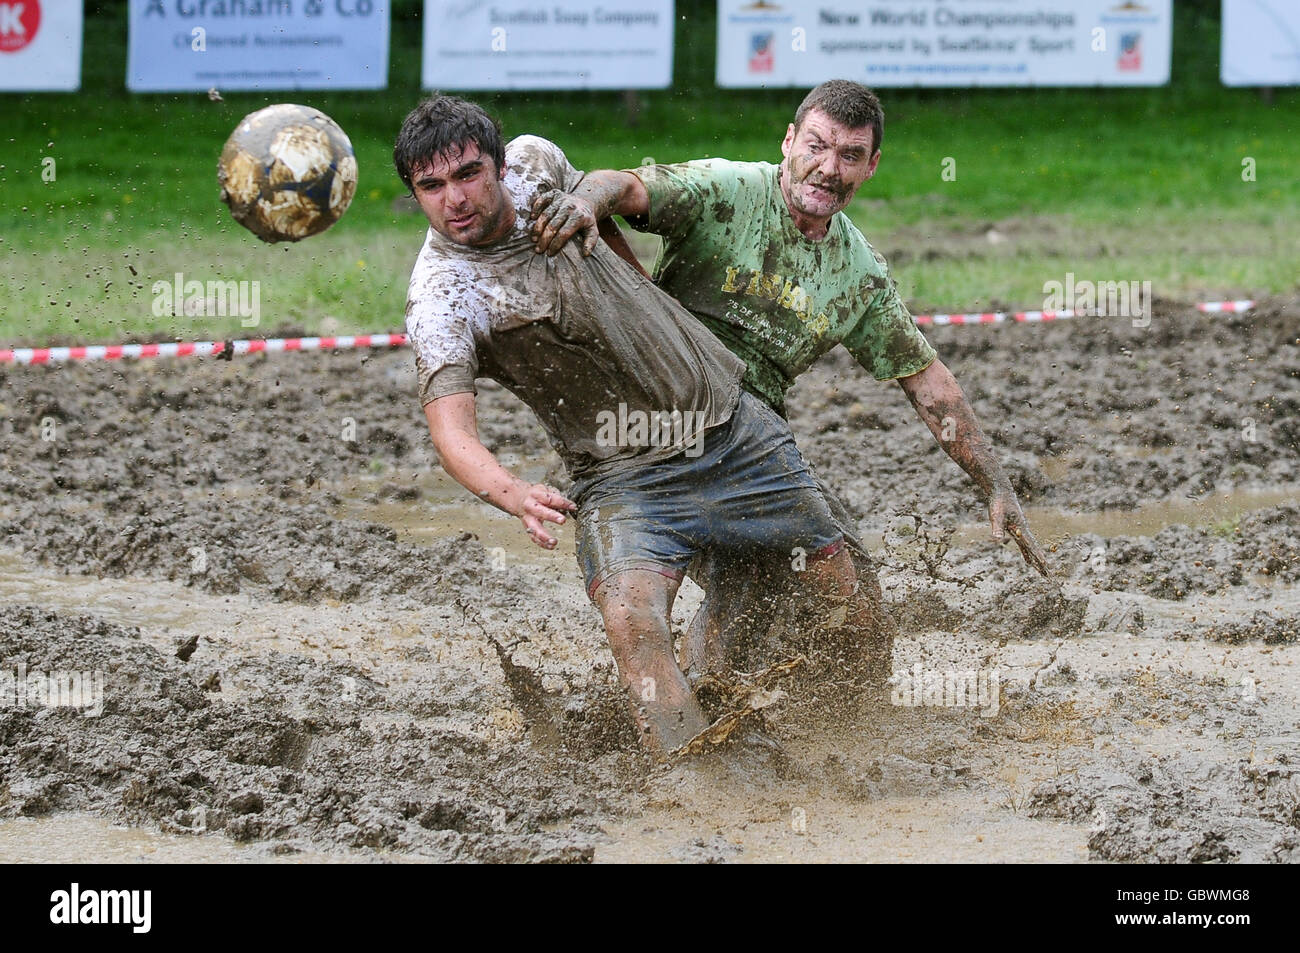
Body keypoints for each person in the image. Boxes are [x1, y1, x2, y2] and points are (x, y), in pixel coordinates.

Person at [396, 95, 878, 760]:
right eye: (431, 185)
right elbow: (453, 434)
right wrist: (513, 492)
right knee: (631, 622)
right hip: (622, 476)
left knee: (845, 588)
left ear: (500, 166)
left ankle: (861, 730)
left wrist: (633, 280)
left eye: (468, 174)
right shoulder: (442, 295)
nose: (455, 198)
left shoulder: (538, 162)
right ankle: (689, 785)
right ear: (414, 192)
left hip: (728, 424)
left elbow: (609, 203)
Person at [528, 79, 1049, 680]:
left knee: (851, 593)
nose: (828, 169)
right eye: (817, 147)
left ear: (870, 167)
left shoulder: (859, 273)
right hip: (659, 408)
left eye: (849, 156)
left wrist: (994, 484)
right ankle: (690, 703)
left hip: (752, 448)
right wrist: (586, 202)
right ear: (788, 141)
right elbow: (624, 185)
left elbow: (929, 384)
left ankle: (846, 726)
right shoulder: (729, 191)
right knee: (703, 594)